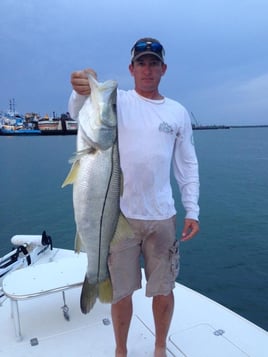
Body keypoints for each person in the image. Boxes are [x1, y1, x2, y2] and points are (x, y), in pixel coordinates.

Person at [68, 37, 200, 357]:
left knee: (164, 290)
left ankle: (159, 347)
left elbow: (187, 163)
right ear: (131, 68)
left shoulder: (178, 112)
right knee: (120, 293)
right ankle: (121, 350)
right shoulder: (119, 101)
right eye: (141, 63)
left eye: (154, 63)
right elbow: (78, 111)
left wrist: (192, 209)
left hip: (162, 216)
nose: (147, 69)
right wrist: (80, 87)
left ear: (163, 69)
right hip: (117, 214)